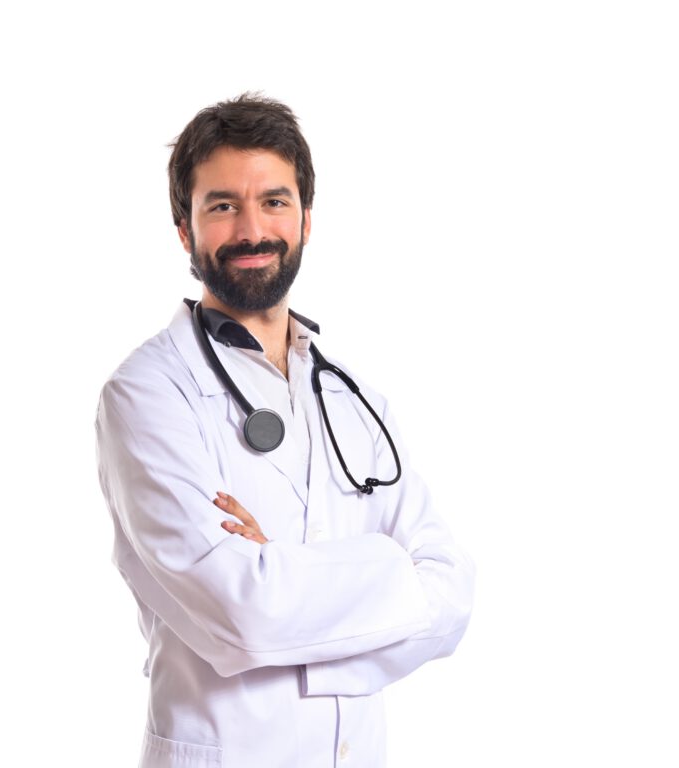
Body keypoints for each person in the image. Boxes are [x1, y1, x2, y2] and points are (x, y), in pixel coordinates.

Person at [95, 93, 474, 768]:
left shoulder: (357, 403)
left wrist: (281, 570)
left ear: (305, 219)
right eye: (222, 206)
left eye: (274, 201)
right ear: (184, 228)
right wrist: (388, 578)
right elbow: (242, 615)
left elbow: (451, 594)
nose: (252, 229)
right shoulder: (148, 395)